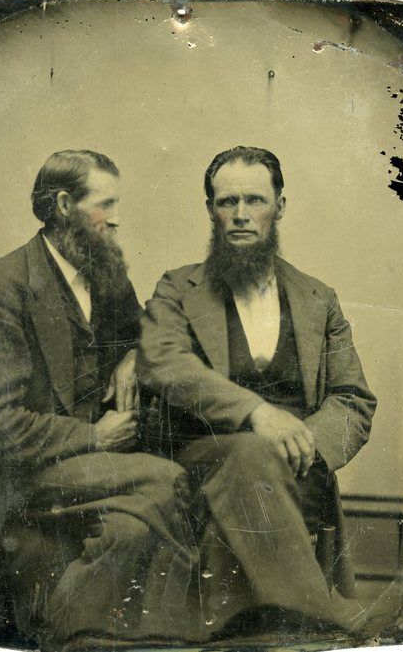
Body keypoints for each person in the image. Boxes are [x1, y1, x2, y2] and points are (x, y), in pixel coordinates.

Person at [0, 150, 192, 650]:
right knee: (169, 480)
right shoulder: (5, 287)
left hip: (85, 467)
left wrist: (133, 358)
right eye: (105, 204)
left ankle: (69, 628)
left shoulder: (105, 273)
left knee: (130, 531)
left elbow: (144, 331)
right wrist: (94, 434)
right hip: (14, 471)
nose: (117, 217)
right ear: (63, 205)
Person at [137, 146, 379, 641]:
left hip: (299, 466)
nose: (241, 215)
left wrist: (304, 443)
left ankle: (254, 630)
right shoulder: (178, 288)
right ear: (210, 210)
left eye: (255, 200)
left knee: (259, 458)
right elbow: (164, 363)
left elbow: (353, 399)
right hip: (203, 457)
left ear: (281, 206)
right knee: (250, 451)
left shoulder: (318, 298)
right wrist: (255, 413)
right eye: (227, 202)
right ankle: (322, 616)